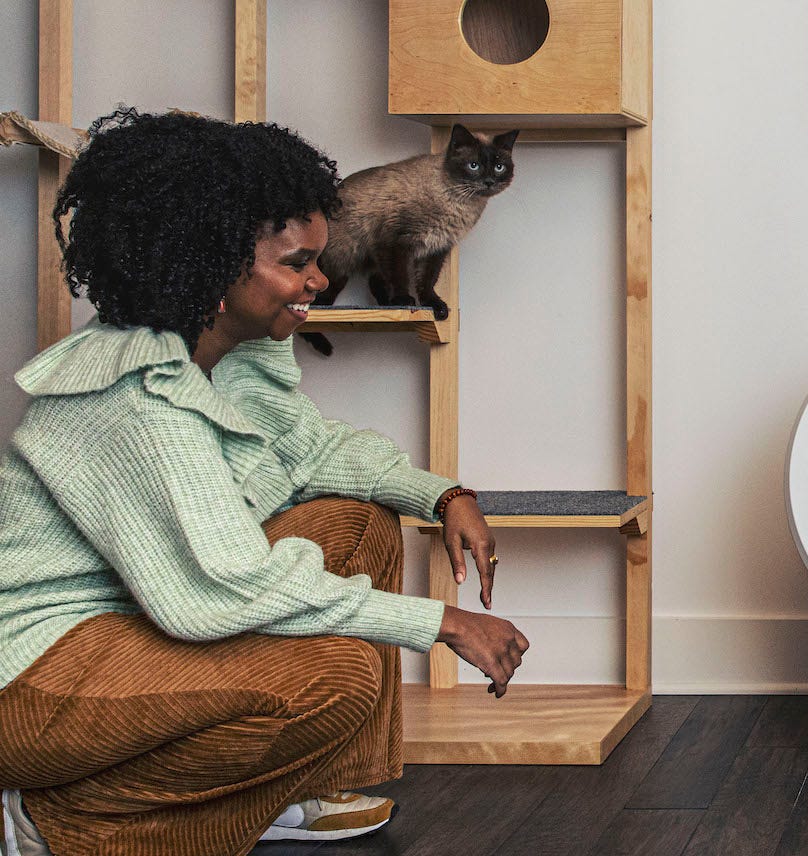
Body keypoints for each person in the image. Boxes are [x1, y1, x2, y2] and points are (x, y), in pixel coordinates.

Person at [0, 109, 529, 856]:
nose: (319, 278)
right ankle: (48, 820)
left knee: (356, 518)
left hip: (117, 631)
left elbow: (312, 450)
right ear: (215, 264)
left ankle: (292, 788)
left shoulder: (226, 354)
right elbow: (225, 587)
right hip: (29, 680)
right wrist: (440, 624)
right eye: (296, 263)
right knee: (335, 677)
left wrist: (445, 495)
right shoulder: (134, 401)